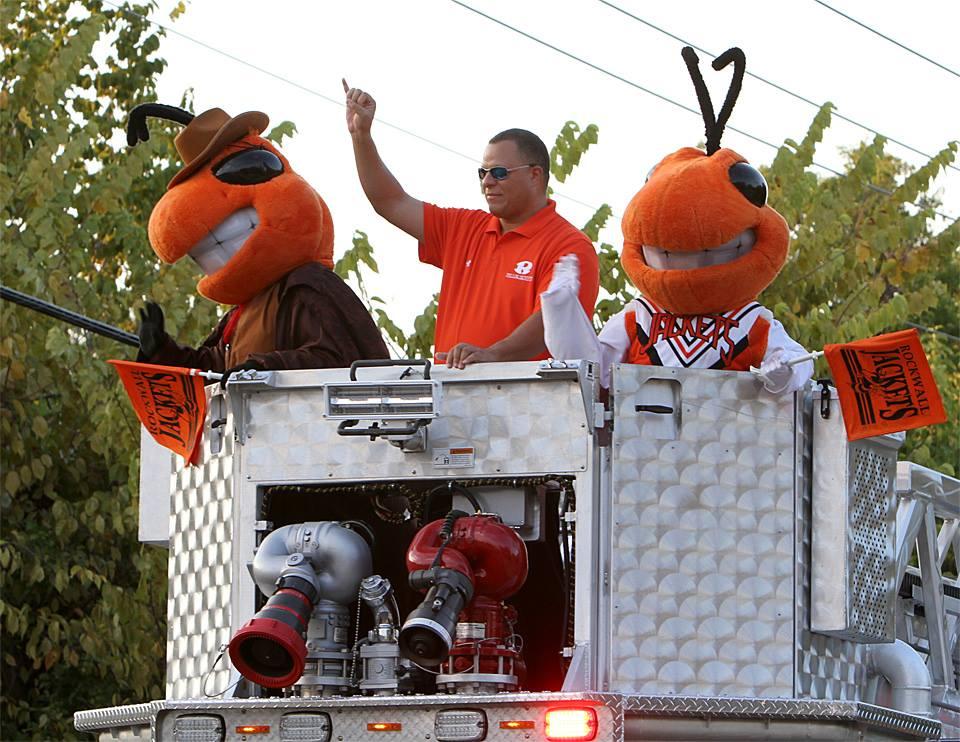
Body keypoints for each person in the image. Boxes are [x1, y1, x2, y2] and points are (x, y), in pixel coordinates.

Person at [343, 80, 599, 368]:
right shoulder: (464, 227)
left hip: (525, 406)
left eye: (499, 173)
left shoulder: (569, 246)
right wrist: (361, 136)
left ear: (535, 175)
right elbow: (389, 202)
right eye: (483, 172)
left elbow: (553, 324)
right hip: (453, 400)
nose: (487, 182)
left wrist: (493, 355)